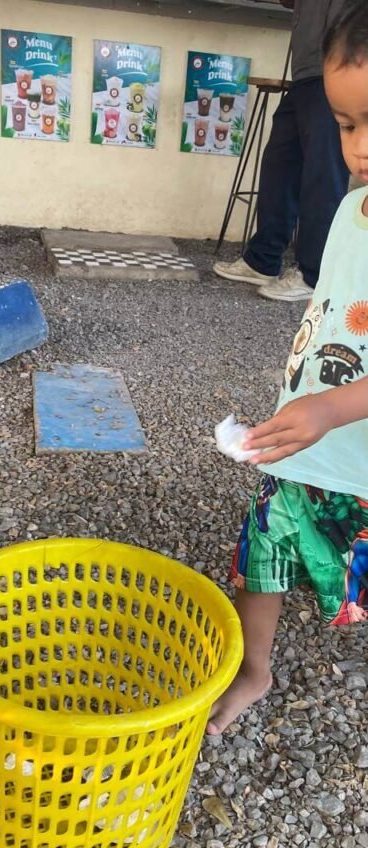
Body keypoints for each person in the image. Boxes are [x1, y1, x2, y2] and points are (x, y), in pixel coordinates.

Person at [208, 0, 368, 735]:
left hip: (354, 450)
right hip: (306, 437)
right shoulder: (349, 209)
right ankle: (253, 667)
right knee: (265, 544)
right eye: (346, 124)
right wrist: (306, 400)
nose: (359, 147)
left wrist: (335, 409)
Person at [214, 0, 349, 303]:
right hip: (304, 73)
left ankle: (314, 275)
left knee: (323, 176)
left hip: (337, 66)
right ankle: (263, 260)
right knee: (279, 165)